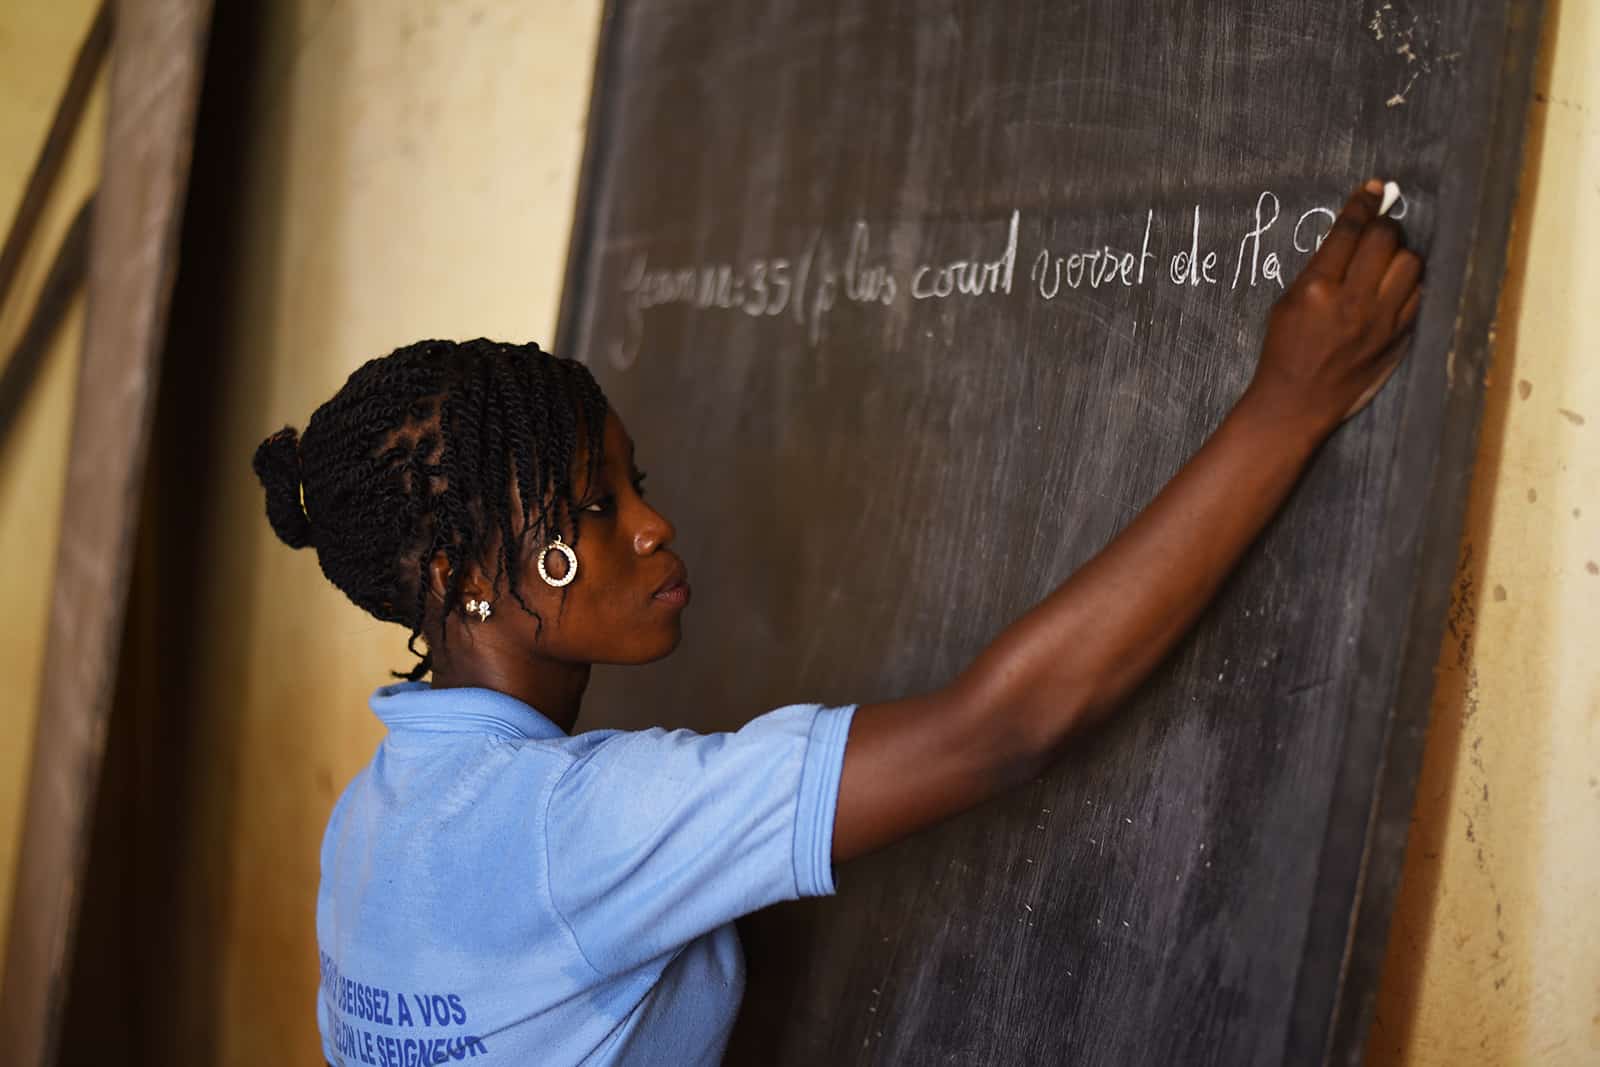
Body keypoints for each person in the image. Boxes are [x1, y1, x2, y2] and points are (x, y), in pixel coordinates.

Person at [254, 180, 1420, 1066]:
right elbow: (1005, 725)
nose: (656, 525)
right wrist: (1288, 405)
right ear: (462, 574)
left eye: (636, 482)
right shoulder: (573, 828)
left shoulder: (371, 820)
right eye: (598, 507)